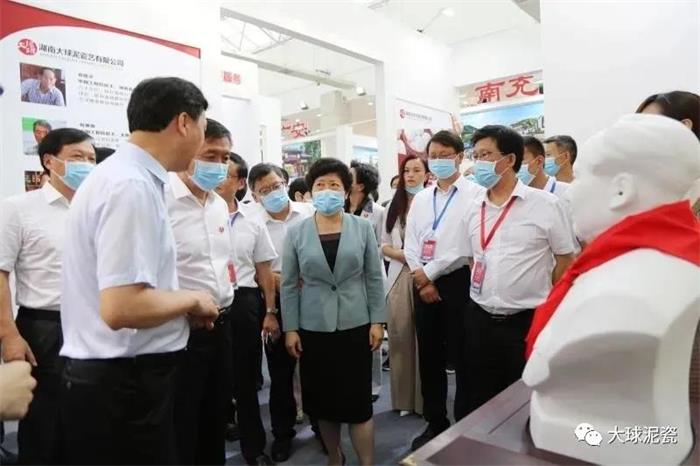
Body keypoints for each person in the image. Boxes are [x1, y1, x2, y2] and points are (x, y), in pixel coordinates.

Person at [58, 77, 219, 465]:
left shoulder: (122, 176)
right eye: (203, 127)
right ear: (184, 122)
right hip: (126, 382)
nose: (202, 140)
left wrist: (176, 309)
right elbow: (122, 308)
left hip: (116, 377)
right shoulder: (130, 185)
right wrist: (193, 299)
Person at [465, 125, 576, 415]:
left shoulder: (546, 204)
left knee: (524, 401)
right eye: (476, 156)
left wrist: (545, 302)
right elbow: (473, 259)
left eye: (486, 155)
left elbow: (565, 259)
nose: (479, 163)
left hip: (525, 321)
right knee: (480, 399)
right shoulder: (473, 206)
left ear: (510, 159)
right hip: (479, 318)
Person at [282, 157, 386, 466]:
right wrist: (290, 328)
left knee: (358, 404)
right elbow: (289, 284)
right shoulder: (296, 232)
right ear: (311, 191)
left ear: (346, 191)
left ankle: (367, 462)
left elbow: (374, 277)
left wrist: (378, 320)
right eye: (320, 185)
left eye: (334, 185)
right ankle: (334, 456)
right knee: (323, 403)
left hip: (355, 324)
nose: (327, 190)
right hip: (313, 327)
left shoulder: (362, 227)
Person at [0, 127, 95, 464]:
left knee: (87, 424)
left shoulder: (96, 209)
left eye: (91, 159)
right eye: (77, 157)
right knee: (44, 427)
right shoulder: (18, 208)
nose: (87, 165)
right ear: (49, 161)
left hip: (93, 326)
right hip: (44, 329)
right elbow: (1, 272)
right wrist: (9, 334)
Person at [404, 130, 484, 451]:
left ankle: (465, 422)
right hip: (421, 280)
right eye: (433, 155)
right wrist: (420, 276)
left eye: (444, 155)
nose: (437, 160)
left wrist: (429, 274)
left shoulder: (476, 194)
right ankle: (435, 421)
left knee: (464, 356)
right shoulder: (422, 198)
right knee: (429, 356)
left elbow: (466, 245)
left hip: (457, 280)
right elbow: (411, 242)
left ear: (460, 157)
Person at [166, 118, 235, 465]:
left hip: (220, 324)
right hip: (179, 331)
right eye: (211, 155)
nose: (219, 165)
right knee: (181, 423)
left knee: (214, 416)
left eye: (225, 157)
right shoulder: (160, 199)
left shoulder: (218, 204)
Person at [248, 163, 315, 462]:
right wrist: (277, 283)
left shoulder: (310, 213)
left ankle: (321, 425)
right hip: (274, 303)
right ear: (254, 195)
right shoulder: (252, 221)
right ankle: (283, 433)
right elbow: (248, 265)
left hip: (314, 299)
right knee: (280, 372)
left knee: (315, 366)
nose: (272, 193)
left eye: (276, 186)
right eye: (264, 190)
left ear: (286, 182)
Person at [217, 155, 279, 466]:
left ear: (240, 183)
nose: (217, 178)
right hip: (207, 303)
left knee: (245, 380)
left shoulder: (253, 220)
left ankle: (253, 449)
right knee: (211, 381)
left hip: (244, 301)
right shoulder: (192, 215)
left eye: (225, 174)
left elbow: (264, 270)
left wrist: (270, 311)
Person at [381, 155, 428, 416]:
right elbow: (384, 244)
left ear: (427, 174)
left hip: (427, 275)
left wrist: (415, 259)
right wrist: (403, 255)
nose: (410, 175)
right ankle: (403, 400)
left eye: (416, 170)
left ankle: (423, 400)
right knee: (400, 338)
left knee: (424, 340)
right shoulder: (393, 205)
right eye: (406, 170)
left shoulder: (432, 201)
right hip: (399, 275)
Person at [347, 161, 385, 401]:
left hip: (369, 276)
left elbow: (382, 245)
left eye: (349, 175)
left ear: (360, 184)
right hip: (344, 279)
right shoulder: (339, 207)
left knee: (372, 332)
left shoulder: (378, 212)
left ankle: (373, 385)